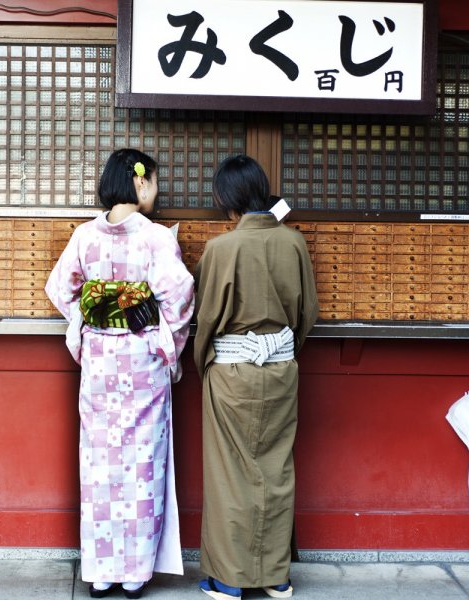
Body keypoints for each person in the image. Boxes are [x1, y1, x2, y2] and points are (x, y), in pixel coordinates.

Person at [45, 148, 195, 599]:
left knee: (100, 464)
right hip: (142, 358)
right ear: (140, 182)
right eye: (154, 181)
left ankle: (101, 571)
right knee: (142, 463)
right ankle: (134, 574)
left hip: (99, 363)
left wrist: (89, 320)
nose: (157, 189)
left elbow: (60, 288)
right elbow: (181, 295)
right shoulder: (155, 238)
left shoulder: (84, 236)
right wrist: (162, 340)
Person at [193, 155, 319, 599]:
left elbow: (206, 320)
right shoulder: (294, 244)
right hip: (282, 369)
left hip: (231, 372)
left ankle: (229, 580)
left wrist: (203, 363)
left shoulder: (220, 249)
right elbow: (307, 316)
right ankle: (275, 577)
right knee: (276, 469)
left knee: (231, 474)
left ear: (226, 200)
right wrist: (280, 351)